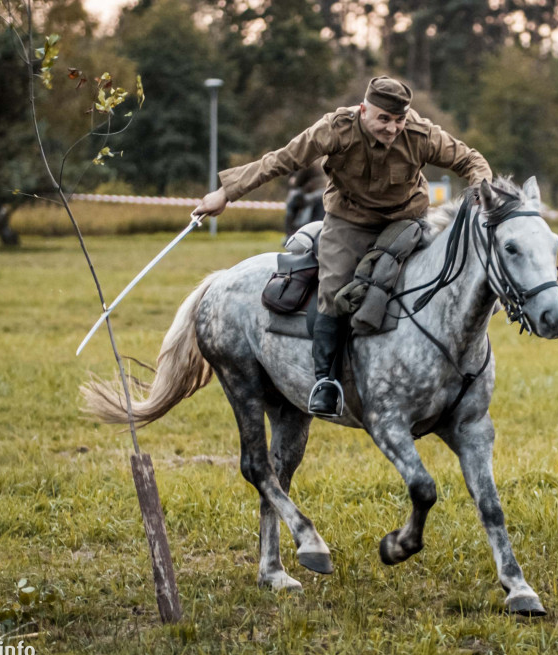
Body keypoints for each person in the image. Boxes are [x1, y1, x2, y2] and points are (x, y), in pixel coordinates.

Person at [193, 76, 492, 418]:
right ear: (364, 110)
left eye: (399, 120)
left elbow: (470, 160)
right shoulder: (335, 129)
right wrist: (225, 194)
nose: (392, 128)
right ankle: (326, 382)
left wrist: (483, 194)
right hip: (348, 221)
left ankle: (451, 370)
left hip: (405, 219)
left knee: (446, 271)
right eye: (383, 119)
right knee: (334, 292)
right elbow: (281, 160)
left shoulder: (421, 135)